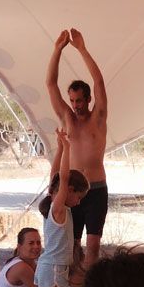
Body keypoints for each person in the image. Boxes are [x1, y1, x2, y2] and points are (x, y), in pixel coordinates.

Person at [16, 130, 89, 287]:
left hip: (47, 267)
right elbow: (63, 177)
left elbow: (56, 175)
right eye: (78, 196)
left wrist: (59, 148)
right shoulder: (58, 208)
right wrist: (67, 148)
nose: (79, 201)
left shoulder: (54, 205)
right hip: (55, 269)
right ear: (68, 191)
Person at [46, 27, 109, 268]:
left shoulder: (98, 118)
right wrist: (57, 50)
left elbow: (99, 81)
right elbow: (50, 84)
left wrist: (82, 49)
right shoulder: (67, 118)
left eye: (80, 100)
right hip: (71, 189)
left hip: (96, 188)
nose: (75, 105)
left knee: (93, 246)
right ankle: (72, 284)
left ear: (89, 99)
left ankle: (89, 283)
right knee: (72, 244)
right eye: (72, 101)